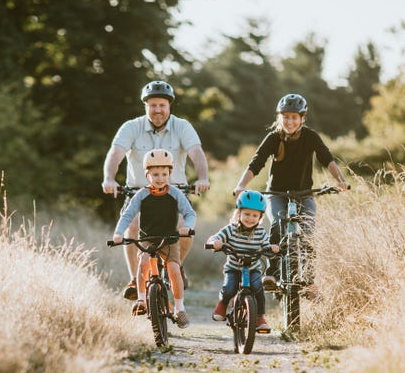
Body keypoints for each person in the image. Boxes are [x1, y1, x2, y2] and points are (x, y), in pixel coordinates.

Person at [103, 80, 210, 300]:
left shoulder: (182, 126)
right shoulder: (131, 127)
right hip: (138, 192)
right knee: (131, 228)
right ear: (145, 106)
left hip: (174, 190)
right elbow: (116, 153)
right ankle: (135, 279)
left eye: (162, 105)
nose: (157, 110)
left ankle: (176, 265)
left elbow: (196, 152)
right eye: (153, 105)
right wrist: (109, 179)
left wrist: (203, 177)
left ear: (169, 106)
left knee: (185, 227)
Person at [232, 93, 349, 291]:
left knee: (309, 231)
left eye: (294, 117)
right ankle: (271, 272)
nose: (290, 121)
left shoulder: (310, 137)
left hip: (304, 194)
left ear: (302, 118)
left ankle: (310, 280)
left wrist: (341, 181)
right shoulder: (273, 138)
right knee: (278, 224)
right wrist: (241, 185)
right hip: (276, 194)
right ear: (280, 118)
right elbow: (257, 161)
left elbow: (326, 158)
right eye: (286, 117)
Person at [112, 148, 197, 328]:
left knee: (174, 269)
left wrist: (187, 227)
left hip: (169, 239)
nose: (160, 178)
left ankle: (179, 308)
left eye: (164, 174)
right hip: (147, 239)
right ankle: (142, 300)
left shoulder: (175, 193)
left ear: (170, 173)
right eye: (155, 174)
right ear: (147, 174)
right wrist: (119, 233)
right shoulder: (141, 195)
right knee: (143, 264)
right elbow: (127, 216)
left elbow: (190, 213)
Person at [207, 191, 279, 333]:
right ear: (239, 213)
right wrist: (215, 242)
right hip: (233, 268)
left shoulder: (260, 232)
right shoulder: (231, 229)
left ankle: (259, 317)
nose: (250, 218)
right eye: (246, 214)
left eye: (254, 215)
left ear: (260, 217)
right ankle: (223, 304)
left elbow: (266, 245)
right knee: (229, 288)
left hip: (253, 269)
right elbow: (216, 237)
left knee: (258, 288)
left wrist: (272, 248)